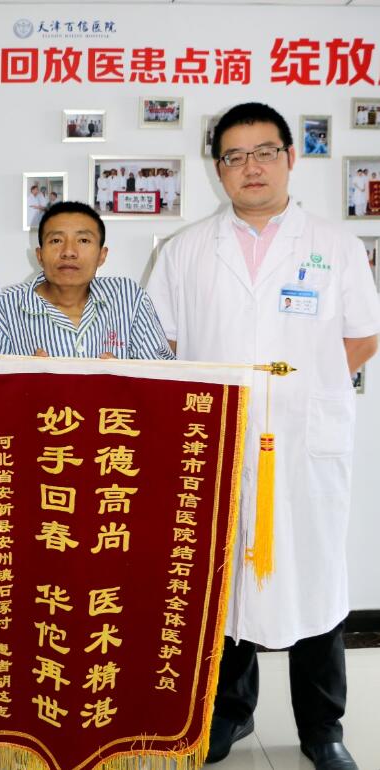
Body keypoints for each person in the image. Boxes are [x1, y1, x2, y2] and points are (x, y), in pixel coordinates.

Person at [147, 102, 380, 770]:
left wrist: (301, 391)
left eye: (264, 152)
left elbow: (362, 336)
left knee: (314, 580)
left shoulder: (334, 245)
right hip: (216, 443)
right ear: (217, 167)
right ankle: (228, 712)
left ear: (289, 157)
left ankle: (322, 729)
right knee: (222, 581)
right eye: (234, 156)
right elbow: (162, 344)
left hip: (303, 446)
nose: (250, 167)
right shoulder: (184, 249)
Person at [0, 200, 173, 361]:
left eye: (83, 240)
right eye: (56, 240)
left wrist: (125, 379)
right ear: (39, 255)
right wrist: (25, 380)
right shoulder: (7, 305)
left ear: (102, 255)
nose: (69, 252)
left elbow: (164, 379)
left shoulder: (128, 297)